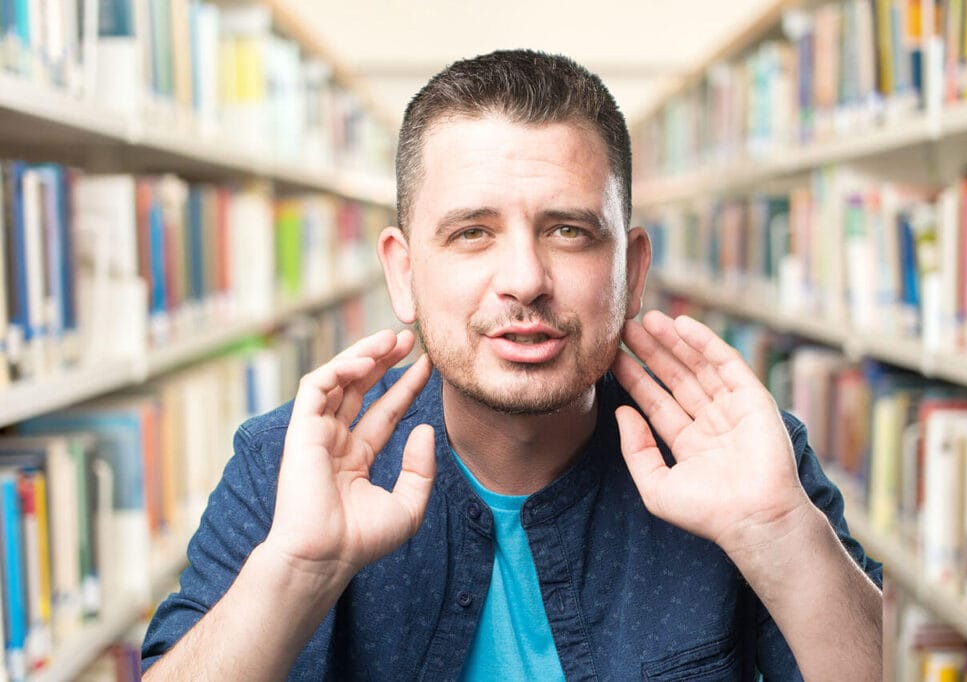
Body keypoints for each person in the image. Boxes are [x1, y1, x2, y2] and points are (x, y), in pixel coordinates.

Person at [141, 50, 882, 680]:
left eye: (569, 230)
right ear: (403, 274)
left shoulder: (745, 461)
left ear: (632, 270)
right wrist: (296, 570)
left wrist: (783, 533)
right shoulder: (286, 462)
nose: (525, 278)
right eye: (472, 233)